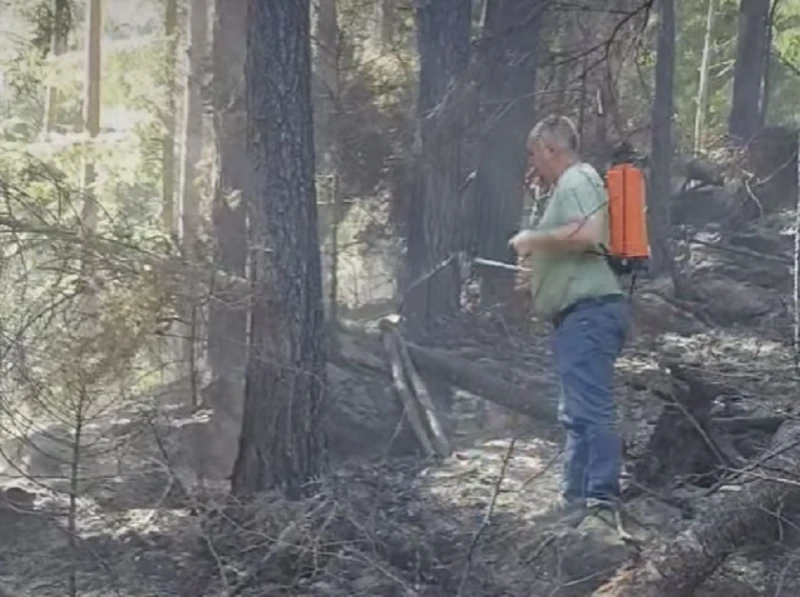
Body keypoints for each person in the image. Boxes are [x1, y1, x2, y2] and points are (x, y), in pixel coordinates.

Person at [509, 115, 630, 525]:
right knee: (576, 412)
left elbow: (590, 234)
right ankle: (575, 500)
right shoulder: (570, 185)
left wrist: (532, 239)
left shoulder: (578, 178)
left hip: (589, 314)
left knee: (590, 410)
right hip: (577, 317)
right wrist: (535, 278)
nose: (531, 163)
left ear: (549, 148)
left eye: (532, 153)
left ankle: (600, 502)